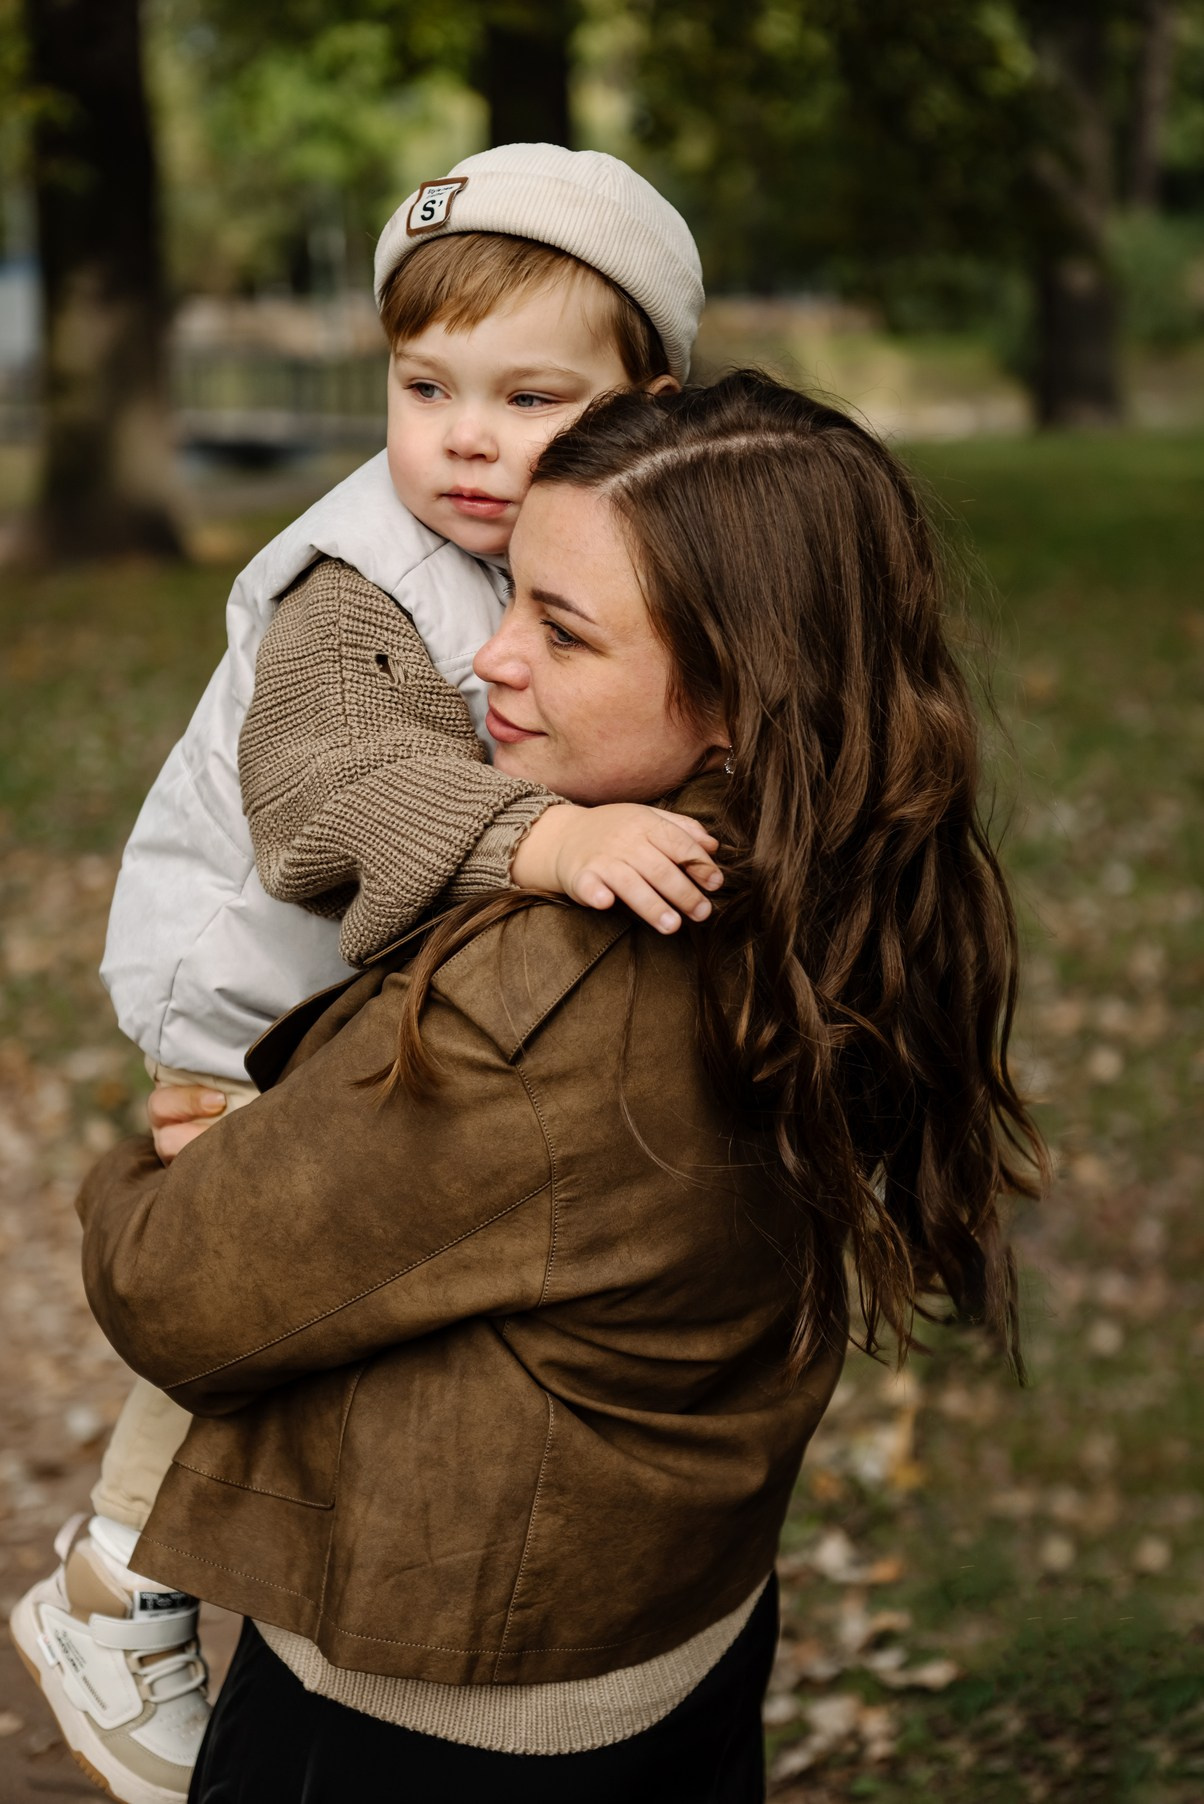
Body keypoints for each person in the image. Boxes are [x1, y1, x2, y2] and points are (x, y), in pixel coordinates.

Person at [72, 373, 1045, 1802]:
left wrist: (176, 1156)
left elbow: (173, 1291)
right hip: (682, 1627)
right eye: (509, 595)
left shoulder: (557, 994)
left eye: (564, 630)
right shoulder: (837, 874)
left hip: (436, 1720)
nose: (488, 661)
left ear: (743, 698)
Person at [10, 144, 723, 1804]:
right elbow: (332, 792)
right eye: (424, 387)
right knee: (274, 1282)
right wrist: (548, 840)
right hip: (250, 996)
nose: (464, 439)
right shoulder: (360, 581)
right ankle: (114, 1584)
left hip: (360, 981)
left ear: (648, 413)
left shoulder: (585, 541)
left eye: (531, 396)